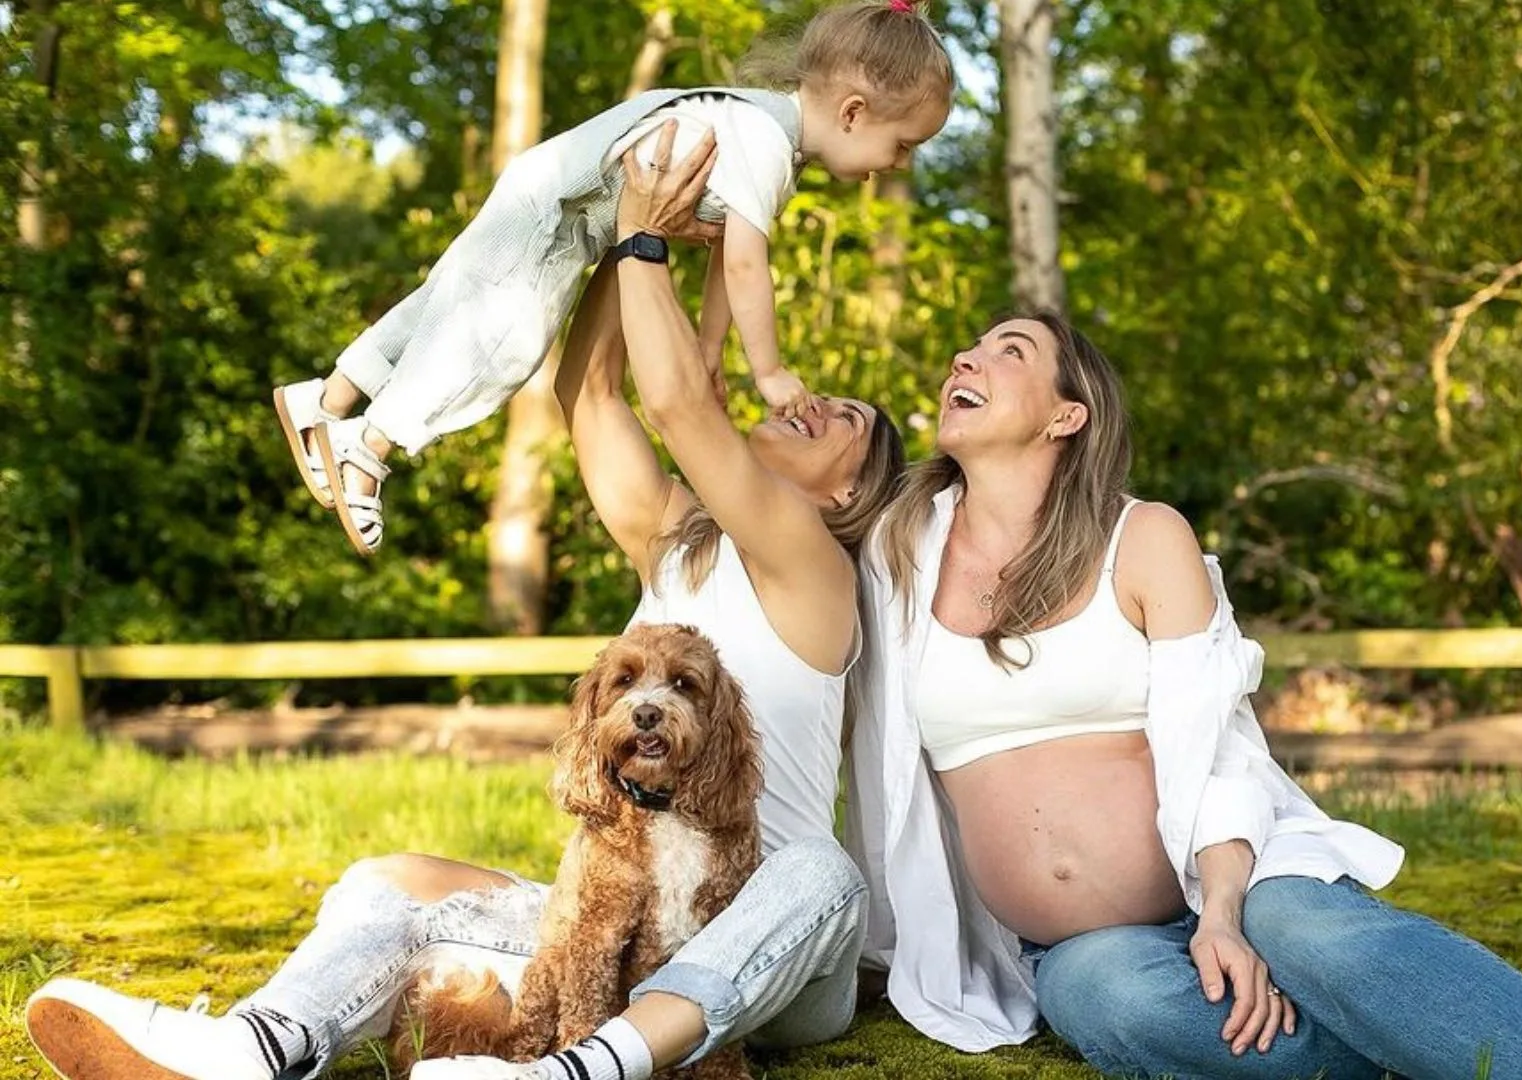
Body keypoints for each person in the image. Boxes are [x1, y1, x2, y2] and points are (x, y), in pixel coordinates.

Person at [27, 121, 906, 1080]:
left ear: (846, 495)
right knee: (386, 884)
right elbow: (594, 393)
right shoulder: (680, 548)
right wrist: (620, 227)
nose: (817, 403)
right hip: (637, 914)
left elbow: (683, 406)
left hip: (774, 954)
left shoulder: (816, 567)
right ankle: (254, 1045)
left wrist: (651, 240)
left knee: (821, 872)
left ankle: (581, 1070)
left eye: (847, 422)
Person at [845, 313, 1522, 1080]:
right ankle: (1507, 1032)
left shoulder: (1143, 538)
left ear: (1067, 415)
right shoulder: (899, 549)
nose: (966, 358)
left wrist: (1221, 916)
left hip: (1238, 875)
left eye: (1009, 350)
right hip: (1073, 946)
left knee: (1314, 935)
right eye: (969, 349)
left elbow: (1220, 749)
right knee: (1116, 1007)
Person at [271, 0, 949, 555]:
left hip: (551, 190)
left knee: (446, 304)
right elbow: (745, 265)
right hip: (564, 215)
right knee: (498, 343)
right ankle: (370, 445)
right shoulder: (766, 143)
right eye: (903, 146)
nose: (896, 165)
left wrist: (711, 353)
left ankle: (326, 399)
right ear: (854, 112)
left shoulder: (765, 131)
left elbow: (723, 261)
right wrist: (768, 373)